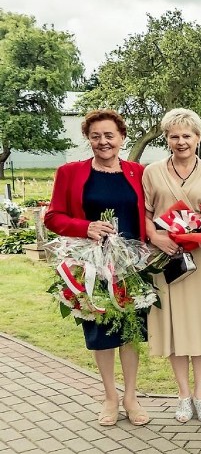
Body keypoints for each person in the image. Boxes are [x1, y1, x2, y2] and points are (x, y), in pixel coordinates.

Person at [44, 109, 150, 427]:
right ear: (88, 139)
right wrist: (85, 226)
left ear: (121, 137)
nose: (103, 142)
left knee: (130, 331)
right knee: (101, 332)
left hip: (132, 265)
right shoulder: (70, 172)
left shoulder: (138, 172)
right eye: (96, 136)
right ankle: (110, 397)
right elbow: (53, 216)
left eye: (109, 135)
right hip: (91, 267)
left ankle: (131, 396)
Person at [142, 109, 201, 423]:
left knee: (200, 326)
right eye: (175, 136)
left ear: (198, 138)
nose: (181, 141)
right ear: (167, 138)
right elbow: (146, 211)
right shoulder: (151, 172)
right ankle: (182, 396)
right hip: (167, 258)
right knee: (177, 327)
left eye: (187, 135)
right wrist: (156, 237)